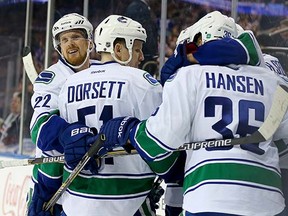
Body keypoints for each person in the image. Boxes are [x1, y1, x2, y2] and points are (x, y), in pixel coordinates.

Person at [93, 13, 288, 216]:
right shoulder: (270, 80)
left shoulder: (190, 76)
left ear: (201, 40)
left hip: (210, 198)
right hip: (269, 200)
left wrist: (129, 130)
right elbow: (284, 140)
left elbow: (160, 140)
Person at [56, 14, 183, 216]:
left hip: (76, 203)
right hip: (130, 203)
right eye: (137, 49)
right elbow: (161, 147)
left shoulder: (69, 85)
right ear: (118, 48)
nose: (141, 57)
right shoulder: (143, 83)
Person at [27, 13, 96, 215]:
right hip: (52, 185)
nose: (69, 44)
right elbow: (39, 129)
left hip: (92, 178)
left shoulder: (103, 72)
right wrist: (69, 134)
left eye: (75, 37)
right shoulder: (51, 78)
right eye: (64, 40)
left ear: (89, 42)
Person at [124, 0, 159, 76]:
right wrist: (151, 54)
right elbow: (145, 33)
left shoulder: (138, 6)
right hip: (144, 57)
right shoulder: (138, 8)